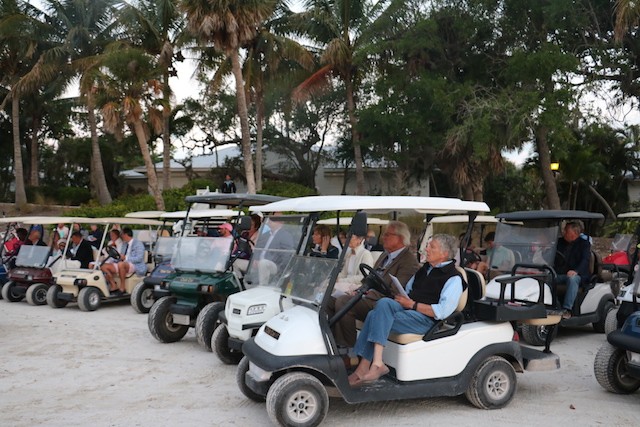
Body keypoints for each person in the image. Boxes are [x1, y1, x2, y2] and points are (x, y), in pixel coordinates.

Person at [348, 234, 464, 387]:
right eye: (427, 246)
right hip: (409, 311)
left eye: (432, 247)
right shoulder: (424, 270)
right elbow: (408, 291)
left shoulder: (453, 278)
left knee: (373, 315)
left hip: (426, 320)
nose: (426, 249)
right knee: (383, 304)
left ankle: (366, 366)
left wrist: (412, 304)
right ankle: (376, 363)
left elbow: (441, 311)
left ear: (444, 253)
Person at [327, 221, 420, 348]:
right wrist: (359, 290)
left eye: (388, 235)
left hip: (384, 303)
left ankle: (347, 348)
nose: (383, 237)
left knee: (343, 302)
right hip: (370, 297)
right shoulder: (385, 255)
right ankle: (331, 341)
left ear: (400, 238)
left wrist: (367, 293)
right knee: (328, 301)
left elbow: (395, 292)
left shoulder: (408, 261)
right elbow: (370, 278)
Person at [554, 221, 591, 319]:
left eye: (566, 231)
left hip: (577, 275)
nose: (564, 233)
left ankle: (567, 309)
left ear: (574, 233)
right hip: (560, 273)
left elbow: (585, 260)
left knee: (572, 279)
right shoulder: (560, 242)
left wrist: (576, 271)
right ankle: (552, 304)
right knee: (546, 278)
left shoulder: (584, 244)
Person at [101, 227, 146, 295]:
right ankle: (113, 285)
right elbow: (120, 256)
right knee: (103, 266)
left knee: (121, 264)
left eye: (121, 234)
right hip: (123, 263)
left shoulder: (138, 244)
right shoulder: (124, 244)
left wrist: (126, 258)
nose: (120, 236)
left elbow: (139, 258)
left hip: (135, 265)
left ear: (125, 234)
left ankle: (122, 287)